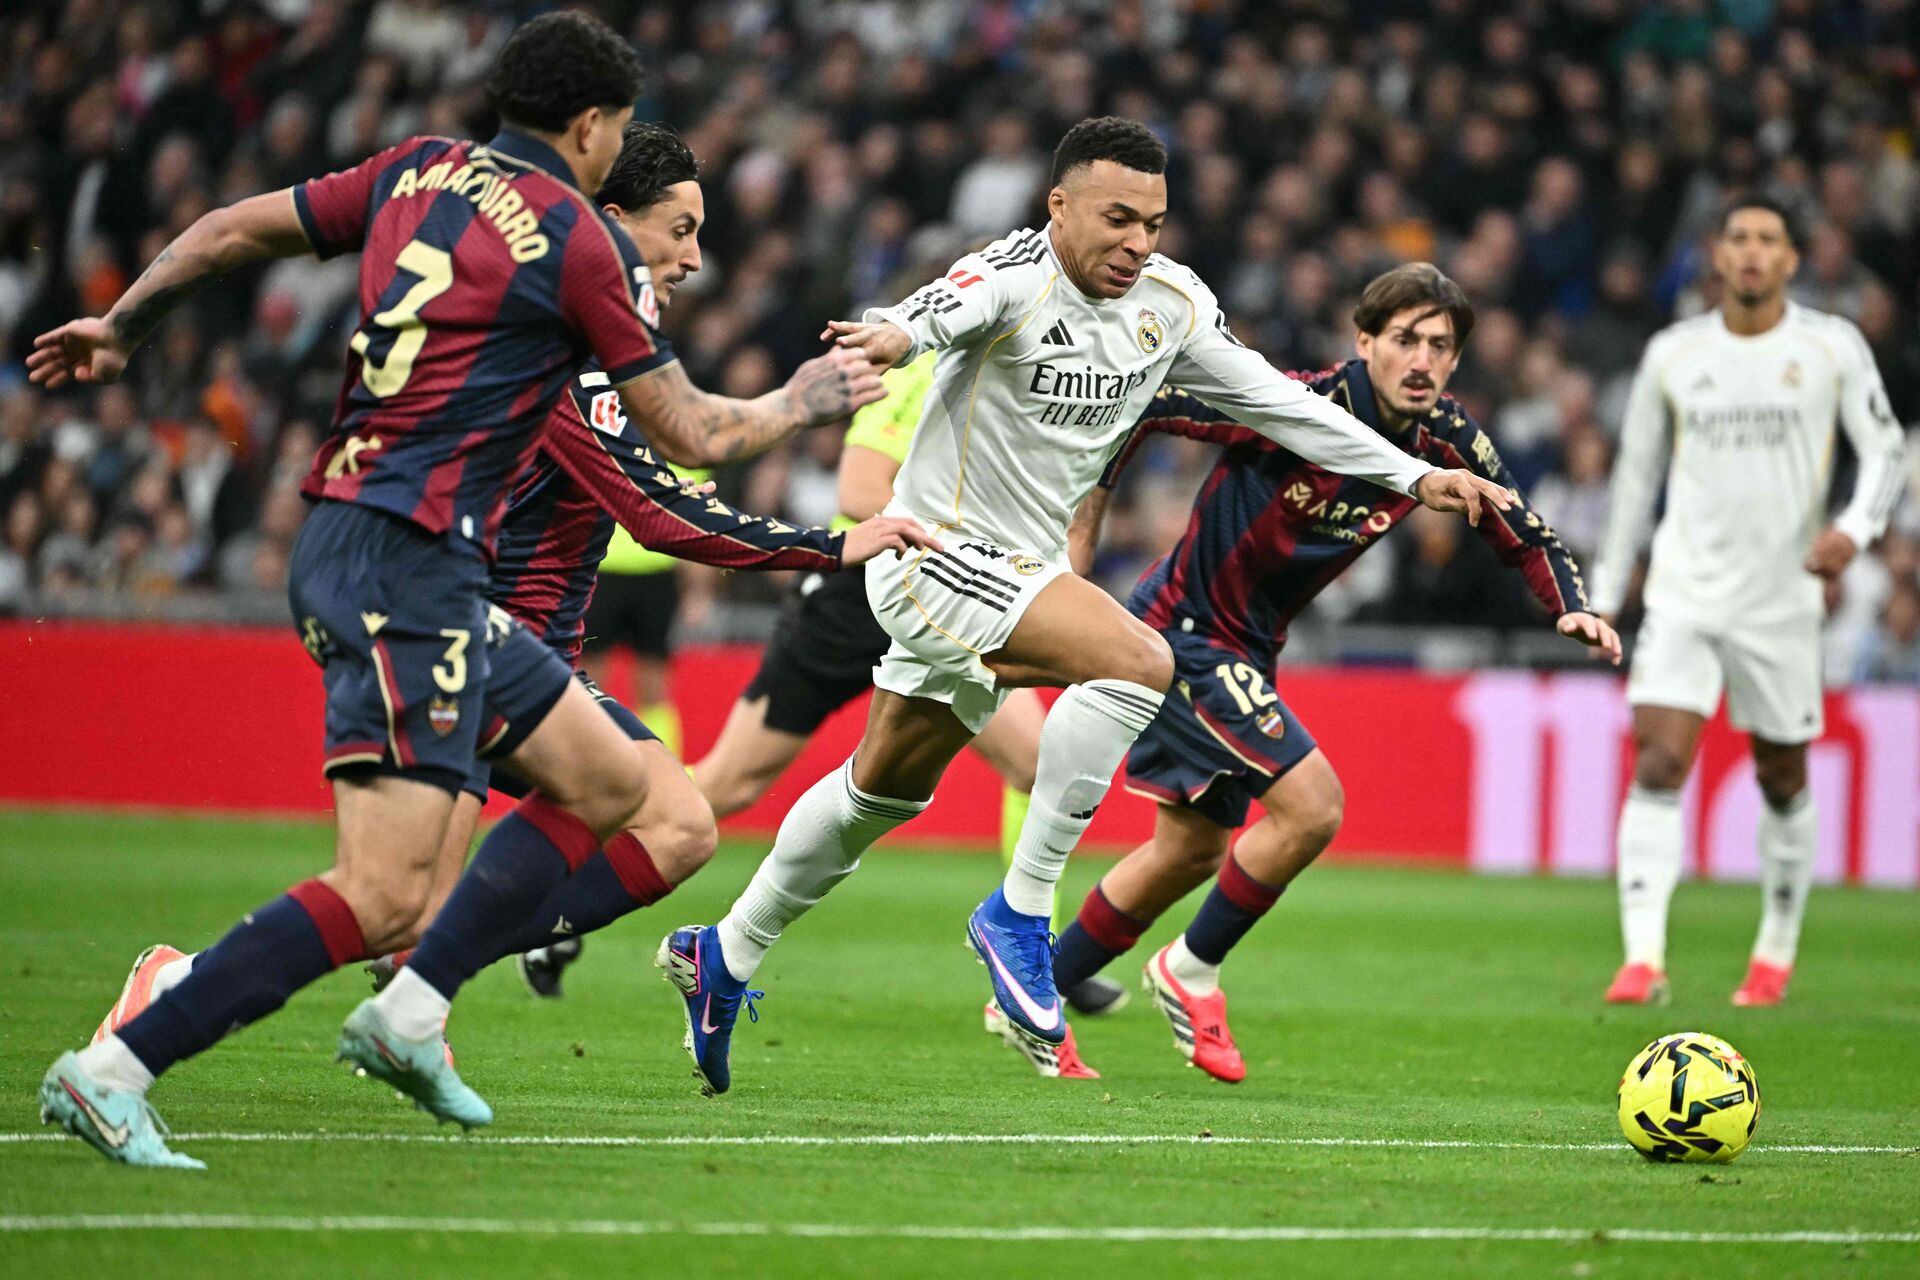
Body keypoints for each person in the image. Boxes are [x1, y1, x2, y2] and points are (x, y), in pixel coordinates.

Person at [35, 14, 881, 1169]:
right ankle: (122, 1061)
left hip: (374, 542)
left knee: (617, 784)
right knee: (387, 899)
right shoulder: (578, 239)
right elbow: (688, 432)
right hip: (411, 565)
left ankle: (412, 1009)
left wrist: (123, 325)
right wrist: (803, 399)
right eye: (621, 135)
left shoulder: (414, 169)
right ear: (591, 126)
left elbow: (232, 228)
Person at [657, 117, 1516, 1097]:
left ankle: (725, 950)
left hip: (1014, 575)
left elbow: (1282, 406)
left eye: (1153, 222)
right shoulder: (1013, 276)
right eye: (1117, 219)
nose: (1137, 242)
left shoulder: (1172, 302)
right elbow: (934, 308)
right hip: (933, 556)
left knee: (879, 792)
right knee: (1140, 658)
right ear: (1058, 207)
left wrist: (1416, 475)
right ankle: (1021, 914)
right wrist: (893, 331)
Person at [1048, 264, 1619, 1082]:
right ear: (1364, 342)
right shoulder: (1290, 405)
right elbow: (1144, 403)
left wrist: (1571, 604)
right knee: (1313, 807)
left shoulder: (1445, 439)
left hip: (1249, 648)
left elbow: (1520, 526)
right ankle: (1191, 969)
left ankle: (1036, 988)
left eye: (1440, 346)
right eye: (1405, 340)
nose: (1422, 360)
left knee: (1190, 852)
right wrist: (1085, 528)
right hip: (1183, 633)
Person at [687, 348, 1131, 1037]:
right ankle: (587, 860)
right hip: (854, 597)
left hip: (960, 599)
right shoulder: (924, 367)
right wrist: (975, 546)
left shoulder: (1034, 367)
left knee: (1034, 762)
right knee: (730, 783)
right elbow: (859, 490)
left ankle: (1030, 941)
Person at [1589, 196, 1906, 1008]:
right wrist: (1604, 589)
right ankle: (1642, 958)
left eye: (1769, 239)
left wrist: (1856, 531)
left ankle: (1775, 947)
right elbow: (1635, 477)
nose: (1754, 252)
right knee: (1659, 761)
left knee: (1782, 775)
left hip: (1782, 599)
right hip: (1686, 591)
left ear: (1792, 259)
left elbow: (1885, 451)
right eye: (1739, 238)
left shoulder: (1830, 347)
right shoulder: (1674, 353)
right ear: (1718, 255)